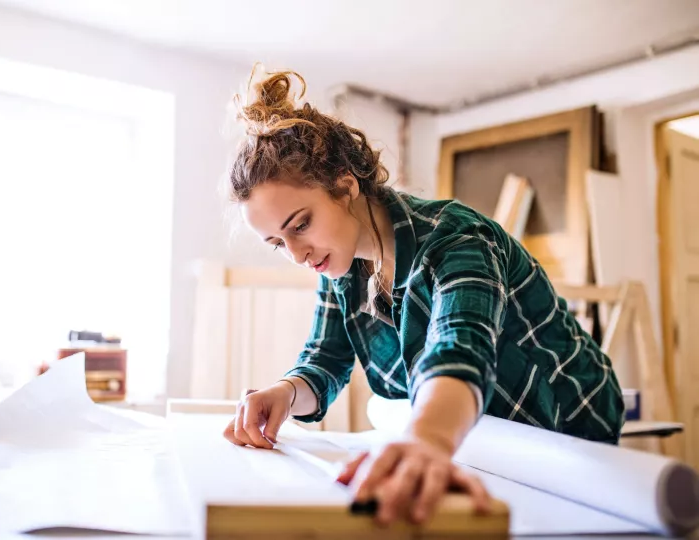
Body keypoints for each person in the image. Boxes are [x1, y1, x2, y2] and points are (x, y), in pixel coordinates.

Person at [221, 66, 624, 525]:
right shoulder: (338, 262)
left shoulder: (458, 239)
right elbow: (325, 359)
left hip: (568, 433)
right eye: (278, 243)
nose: (295, 253)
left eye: (300, 225)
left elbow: (461, 346)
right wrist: (287, 393)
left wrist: (425, 441)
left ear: (345, 187)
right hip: (476, 440)